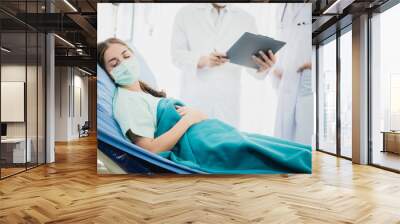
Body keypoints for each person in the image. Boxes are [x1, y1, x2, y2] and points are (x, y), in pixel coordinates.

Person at [97, 38, 311, 174]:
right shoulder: (126, 102)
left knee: (284, 149)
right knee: (281, 156)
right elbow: (150, 150)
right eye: (115, 63)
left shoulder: (143, 91)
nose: (124, 63)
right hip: (202, 146)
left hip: (212, 133)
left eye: (126, 56)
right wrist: (190, 119)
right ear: (108, 73)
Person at [171, 3, 277, 128]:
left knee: (226, 143)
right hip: (195, 98)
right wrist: (203, 60)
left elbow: (253, 67)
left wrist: (263, 66)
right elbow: (176, 55)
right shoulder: (185, 13)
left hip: (228, 100)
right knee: (193, 141)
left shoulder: (246, 18)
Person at [271, 3, 314, 145]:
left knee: (303, 130)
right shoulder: (281, 8)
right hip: (286, 78)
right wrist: (277, 66)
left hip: (305, 78)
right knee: (285, 132)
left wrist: (311, 65)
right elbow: (284, 39)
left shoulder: (308, 8)